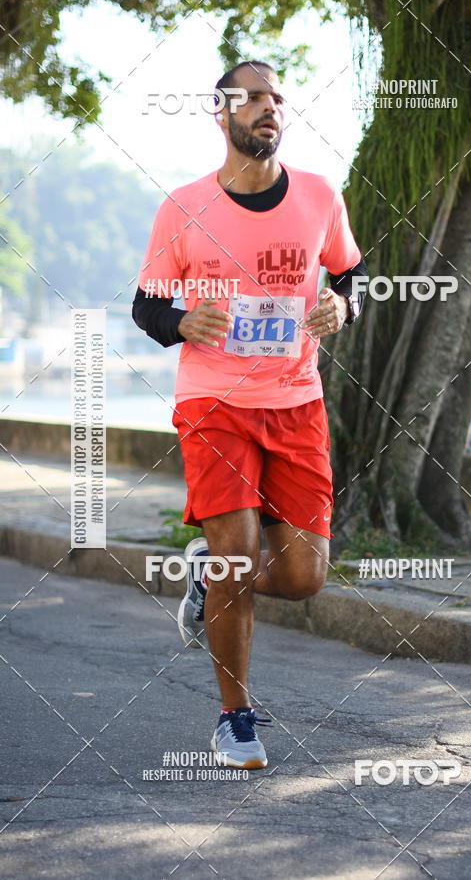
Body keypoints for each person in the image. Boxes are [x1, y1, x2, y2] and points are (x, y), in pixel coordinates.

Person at [132, 60, 367, 770]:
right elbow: (147, 304)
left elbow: (349, 271)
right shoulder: (183, 208)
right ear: (223, 113)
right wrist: (183, 323)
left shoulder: (321, 197)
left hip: (297, 405)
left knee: (302, 577)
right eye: (256, 97)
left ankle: (210, 575)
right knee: (240, 553)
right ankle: (234, 717)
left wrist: (343, 304)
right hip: (215, 405)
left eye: (278, 98)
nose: (271, 107)